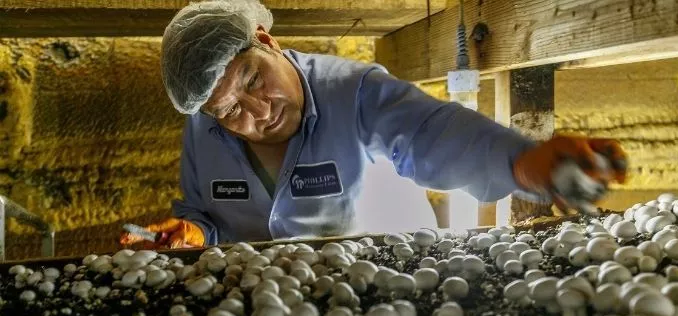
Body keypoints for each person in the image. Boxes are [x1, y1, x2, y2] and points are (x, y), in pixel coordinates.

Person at [120, 0, 627, 249]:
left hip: (382, 282)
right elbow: (206, 219)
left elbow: (431, 134)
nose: (256, 113)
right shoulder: (202, 130)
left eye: (254, 80)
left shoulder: (354, 91)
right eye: (229, 111)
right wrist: (191, 233)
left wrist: (520, 161)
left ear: (266, 41)